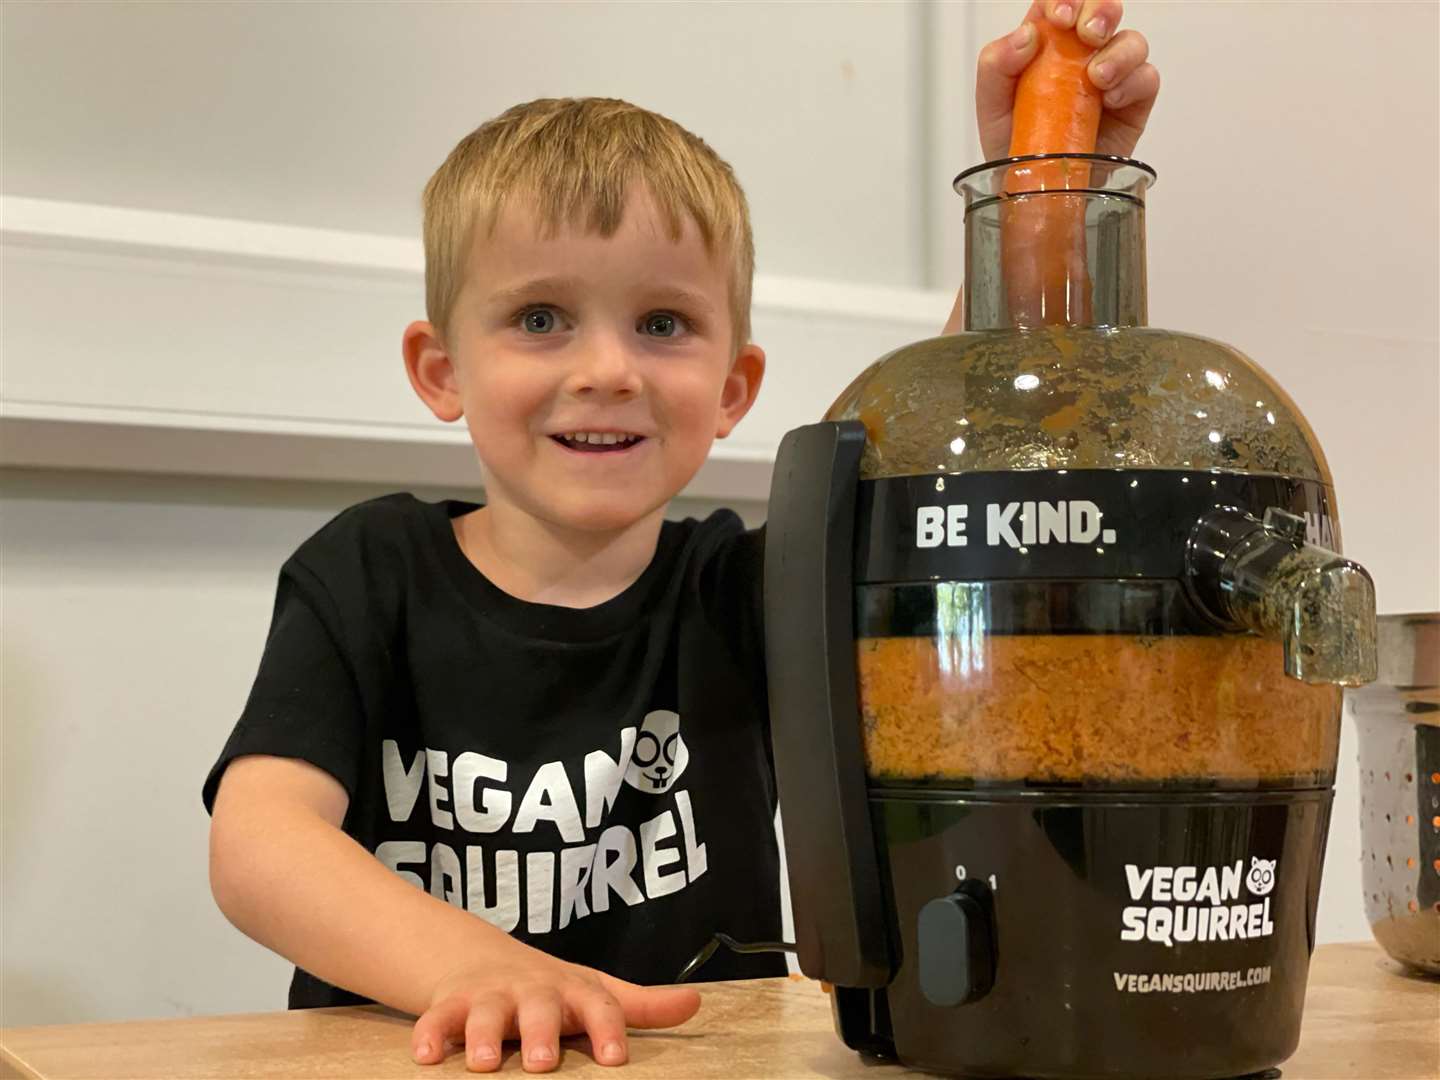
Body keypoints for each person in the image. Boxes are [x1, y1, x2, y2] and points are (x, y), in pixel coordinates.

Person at [203, 1, 1158, 1072]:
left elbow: (943, 455)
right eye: (540, 318)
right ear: (441, 371)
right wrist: (474, 967)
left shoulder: (748, 590)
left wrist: (1039, 192)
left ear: (732, 389)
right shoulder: (367, 571)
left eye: (662, 325)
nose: (607, 368)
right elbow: (259, 845)